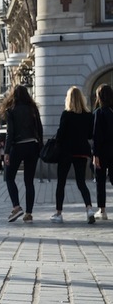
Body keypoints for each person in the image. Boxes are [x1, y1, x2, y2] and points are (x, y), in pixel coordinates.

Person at [51, 86, 95, 224]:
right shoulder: (88, 115)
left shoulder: (66, 114)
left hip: (66, 152)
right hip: (81, 152)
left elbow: (61, 133)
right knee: (81, 183)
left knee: (61, 183)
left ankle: (58, 213)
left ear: (68, 99)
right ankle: (89, 209)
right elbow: (89, 135)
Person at [1, 85, 43, 222]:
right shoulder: (33, 109)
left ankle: (16, 206)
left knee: (9, 176)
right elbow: (40, 128)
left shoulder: (11, 110)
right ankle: (29, 213)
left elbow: (10, 133)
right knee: (29, 181)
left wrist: (6, 152)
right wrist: (40, 146)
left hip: (18, 146)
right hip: (33, 145)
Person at [93, 82, 113, 221]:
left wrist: (96, 154)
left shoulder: (99, 113)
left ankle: (102, 210)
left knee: (100, 181)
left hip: (102, 151)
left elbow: (97, 135)